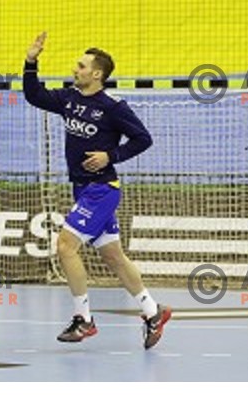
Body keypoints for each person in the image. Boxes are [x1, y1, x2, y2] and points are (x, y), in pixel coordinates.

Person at [23, 32, 171, 349]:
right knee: (114, 257)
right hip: (82, 189)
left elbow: (143, 139)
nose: (75, 69)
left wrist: (111, 156)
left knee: (65, 247)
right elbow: (34, 95)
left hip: (102, 190)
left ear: (97, 74)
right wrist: (31, 61)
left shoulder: (113, 107)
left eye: (81, 66)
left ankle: (84, 319)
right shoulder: (68, 98)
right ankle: (152, 311)